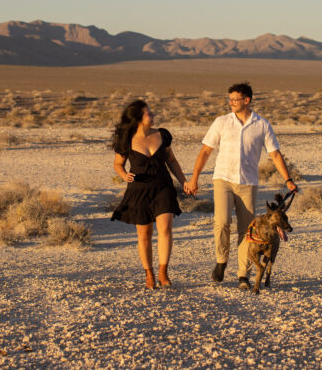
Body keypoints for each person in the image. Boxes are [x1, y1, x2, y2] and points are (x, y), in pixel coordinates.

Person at [183, 82, 297, 289]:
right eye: (229, 99)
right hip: (223, 179)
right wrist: (194, 178)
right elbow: (205, 151)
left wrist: (288, 179)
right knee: (222, 222)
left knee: (247, 231)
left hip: (248, 183)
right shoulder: (221, 122)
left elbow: (275, 154)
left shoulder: (262, 125)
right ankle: (221, 260)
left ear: (247, 100)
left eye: (235, 100)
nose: (231, 103)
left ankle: (243, 274)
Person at [110, 99, 189, 289]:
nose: (152, 116)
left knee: (166, 228)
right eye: (148, 113)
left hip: (163, 187)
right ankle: (149, 273)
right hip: (139, 190)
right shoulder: (127, 140)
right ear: (137, 118)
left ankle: (163, 272)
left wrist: (184, 181)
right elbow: (117, 164)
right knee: (144, 233)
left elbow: (172, 161)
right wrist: (123, 175)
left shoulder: (162, 135)